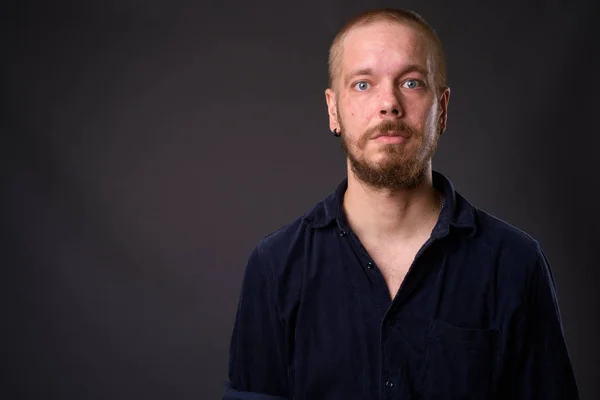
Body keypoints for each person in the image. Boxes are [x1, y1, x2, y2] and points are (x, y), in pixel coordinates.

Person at [223, 7, 579, 400]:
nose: (388, 104)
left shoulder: (515, 264)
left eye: (411, 82)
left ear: (441, 109)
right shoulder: (275, 267)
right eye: (362, 84)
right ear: (332, 109)